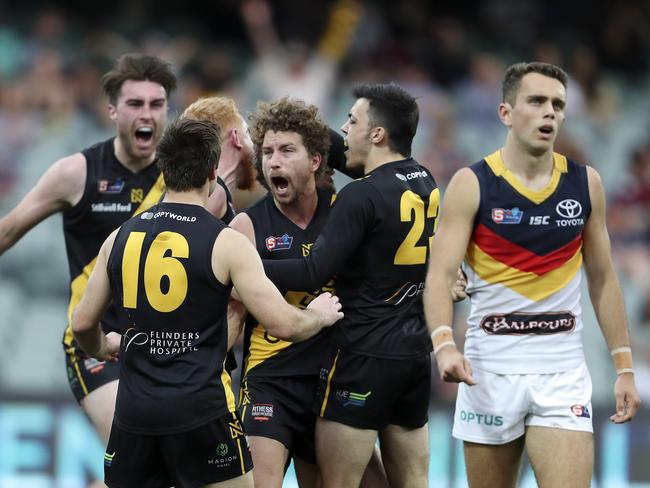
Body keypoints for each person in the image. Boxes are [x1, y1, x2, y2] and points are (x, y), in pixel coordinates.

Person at [71, 117, 343, 488]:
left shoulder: (120, 237)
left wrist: (102, 348)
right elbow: (284, 326)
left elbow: (83, 324)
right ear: (213, 172)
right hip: (202, 411)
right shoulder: (226, 242)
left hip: (135, 415)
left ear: (163, 170)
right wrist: (318, 315)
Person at [423, 61, 642, 488]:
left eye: (558, 105)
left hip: (560, 370)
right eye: (537, 101)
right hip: (489, 370)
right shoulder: (473, 184)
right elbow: (440, 274)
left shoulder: (585, 184)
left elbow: (603, 279)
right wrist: (444, 345)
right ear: (505, 113)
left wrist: (625, 368)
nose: (550, 113)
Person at [261, 83, 438, 487]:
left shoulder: (360, 196)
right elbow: (356, 160)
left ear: (377, 134)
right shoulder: (424, 178)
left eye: (352, 121)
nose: (344, 128)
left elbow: (312, 272)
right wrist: (300, 122)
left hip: (363, 356)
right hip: (412, 355)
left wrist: (244, 267)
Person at [0, 54, 177, 450]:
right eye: (134, 104)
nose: (146, 114)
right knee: (134, 450)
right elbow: (9, 229)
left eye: (156, 104)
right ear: (112, 110)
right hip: (96, 342)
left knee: (151, 473)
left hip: (166, 346)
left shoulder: (183, 176)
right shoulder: (76, 173)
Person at [228, 97, 389, 488]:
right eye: (266, 152)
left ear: (317, 160)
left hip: (334, 380)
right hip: (272, 380)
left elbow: (381, 180)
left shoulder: (347, 211)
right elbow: (231, 316)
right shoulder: (246, 227)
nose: (273, 162)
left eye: (286, 150)